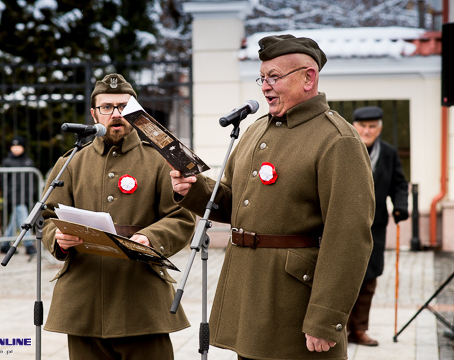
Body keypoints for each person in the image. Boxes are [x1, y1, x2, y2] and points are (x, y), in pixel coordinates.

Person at [171, 35, 375, 359]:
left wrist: (327, 317)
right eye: (262, 78)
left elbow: (349, 237)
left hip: (293, 302)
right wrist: (195, 188)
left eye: (275, 77)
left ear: (309, 77)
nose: (265, 87)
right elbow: (236, 202)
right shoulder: (256, 130)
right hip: (248, 295)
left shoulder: (337, 140)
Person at [41, 73, 196, 359]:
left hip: (141, 298)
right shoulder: (71, 161)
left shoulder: (160, 159)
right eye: (107, 107)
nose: (115, 114)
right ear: (94, 113)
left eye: (123, 106)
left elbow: (182, 217)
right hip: (83, 300)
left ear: (136, 111)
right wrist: (58, 238)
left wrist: (151, 237)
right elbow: (47, 216)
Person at [348, 106, 409, 346]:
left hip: (375, 226)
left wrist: (401, 206)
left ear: (380, 128)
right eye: (363, 126)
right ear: (354, 126)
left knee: (368, 279)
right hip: (345, 225)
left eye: (372, 126)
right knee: (343, 277)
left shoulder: (389, 153)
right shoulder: (345, 149)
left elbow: (399, 184)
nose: (367, 130)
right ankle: (340, 330)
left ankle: (359, 330)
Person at [0, 135, 37, 256]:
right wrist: (6, 194)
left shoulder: (28, 162)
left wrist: (32, 193)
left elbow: (32, 180)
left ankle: (5, 244)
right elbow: (2, 180)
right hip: (13, 196)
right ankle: (29, 244)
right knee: (24, 219)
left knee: (15, 219)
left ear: (23, 147)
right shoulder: (7, 162)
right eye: (13, 146)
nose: (15, 148)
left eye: (18, 146)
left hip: (25, 196)